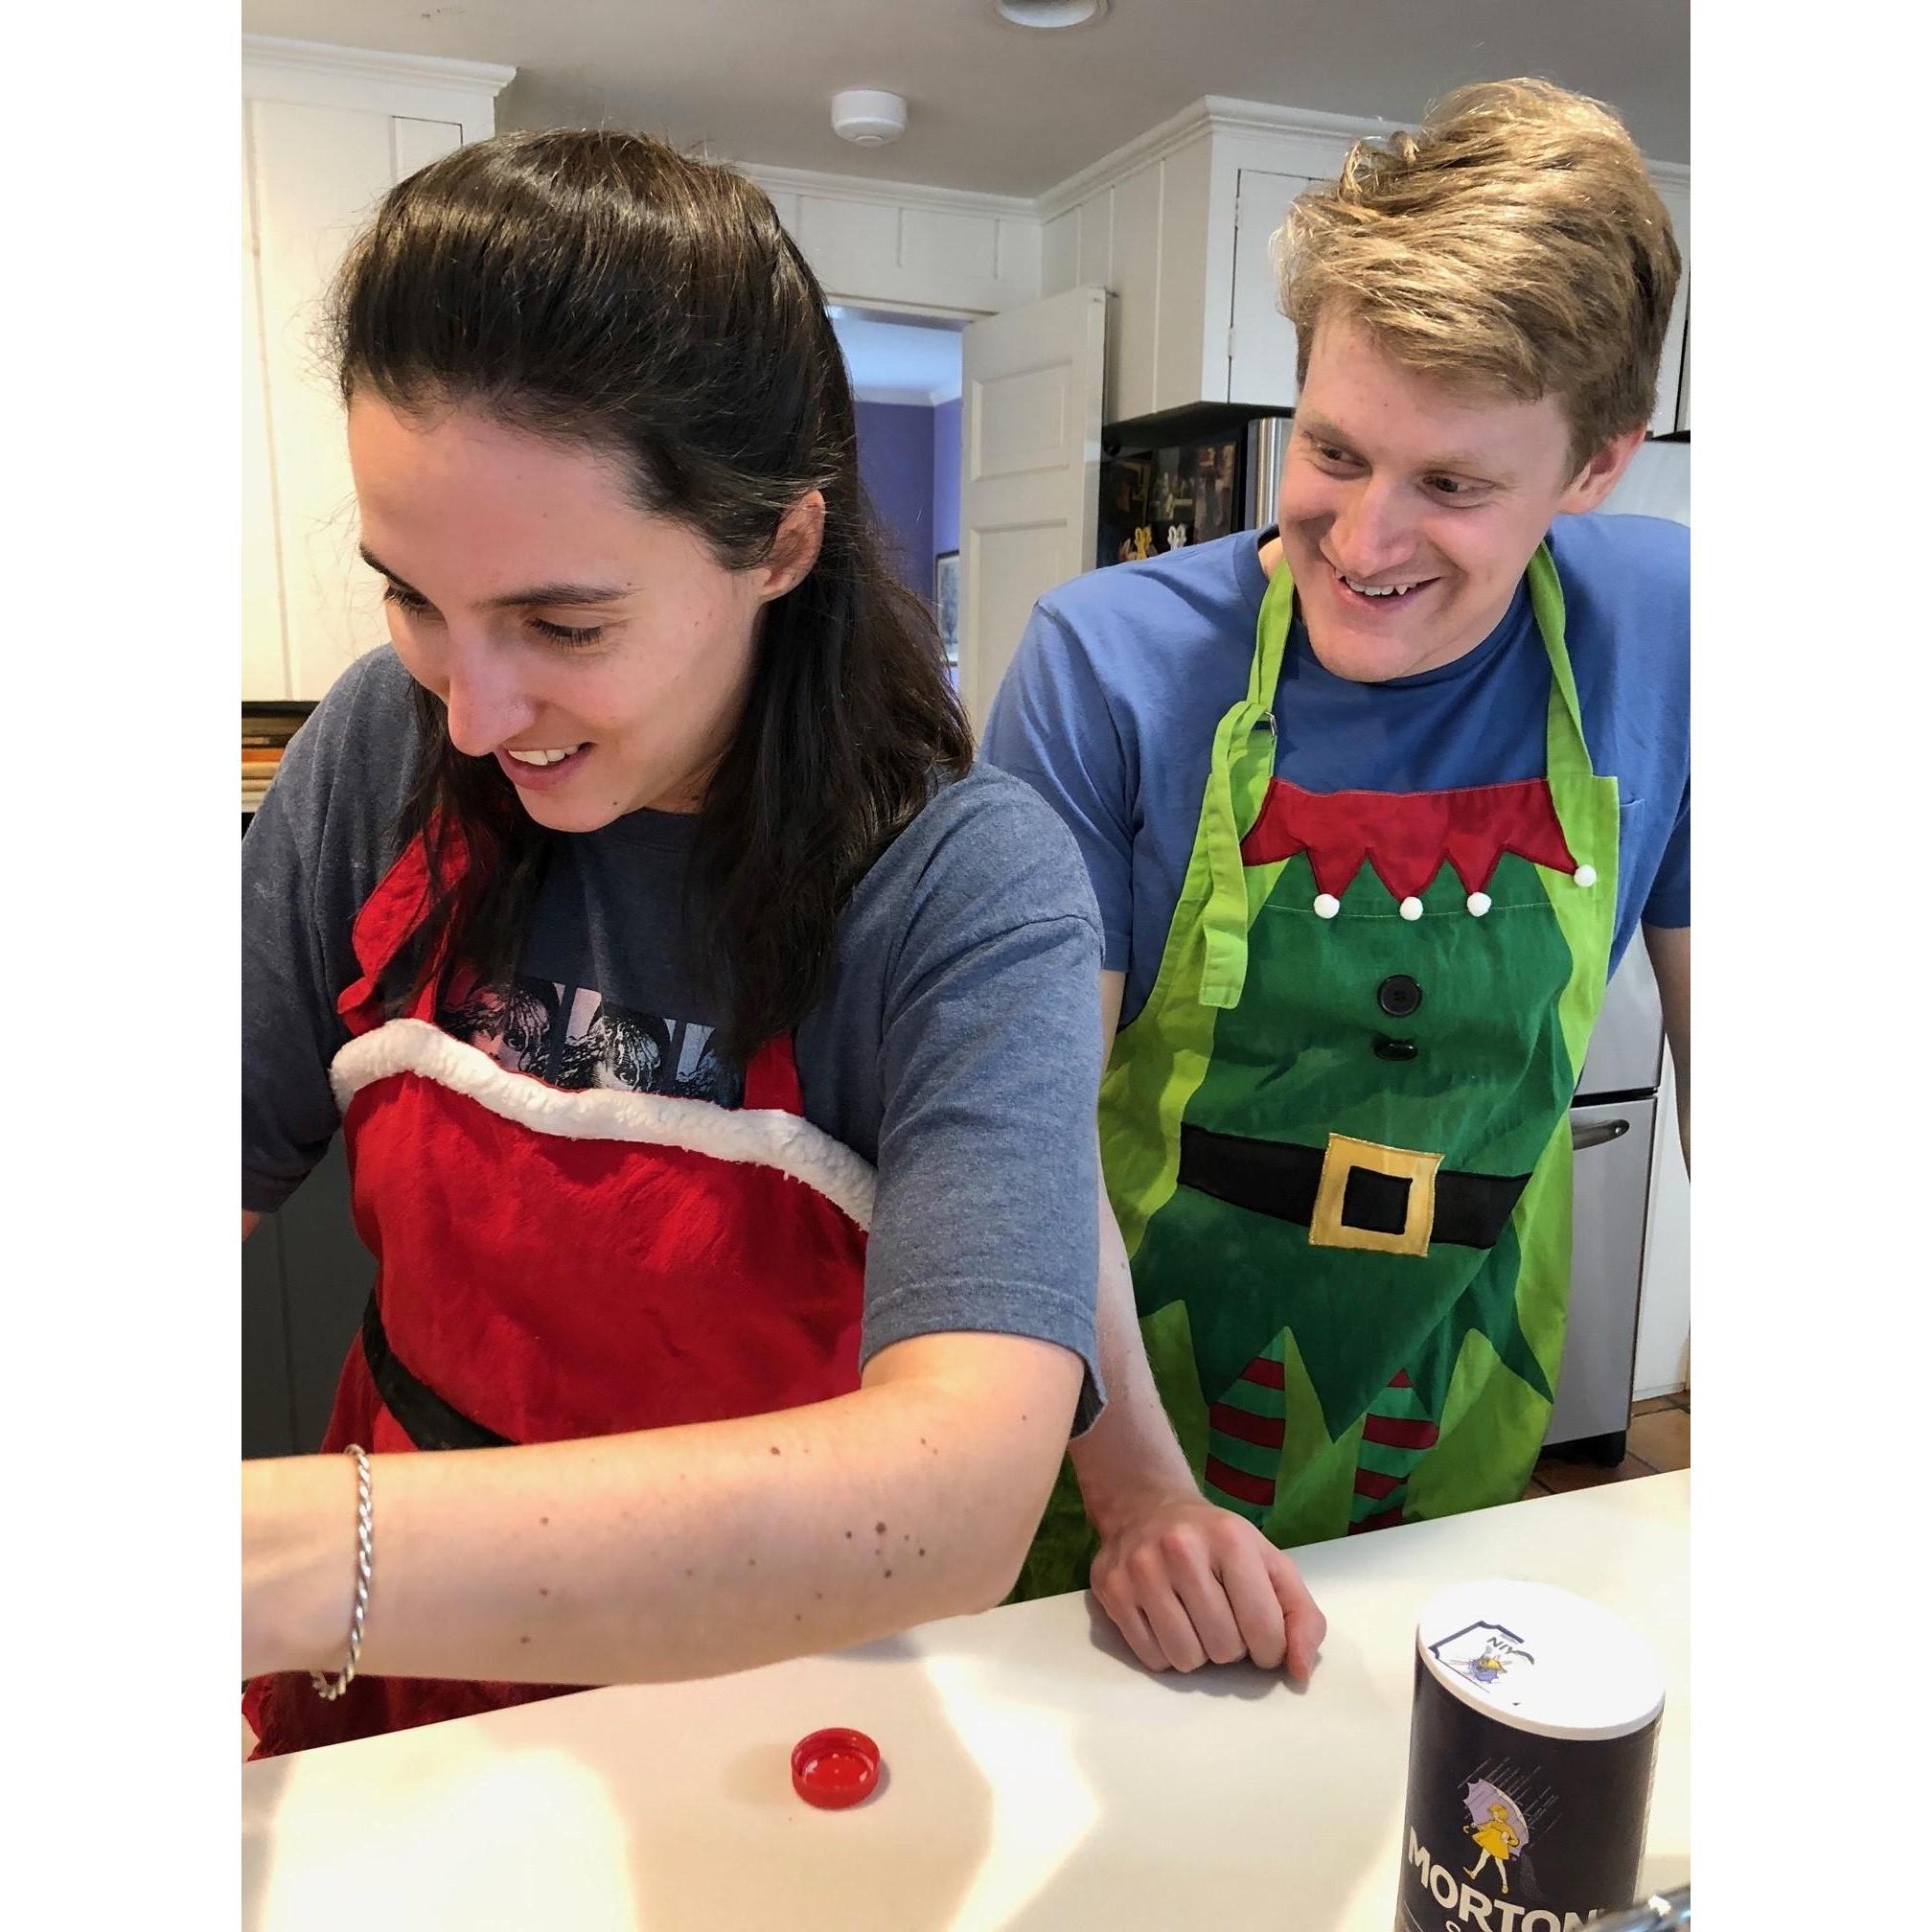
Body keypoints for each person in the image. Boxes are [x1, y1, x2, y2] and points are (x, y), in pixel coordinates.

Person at [241, 129, 1109, 1756]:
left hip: (770, 1696)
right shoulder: (383, 744)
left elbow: (958, 1496)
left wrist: (267, 1553)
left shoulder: (962, 884)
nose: (474, 709)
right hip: (392, 1687)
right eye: (413, 596)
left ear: (781, 547)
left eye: (565, 626)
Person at [985, 80, 1690, 1666]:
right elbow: (1017, 1135)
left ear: (1597, 467)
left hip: (1456, 1425)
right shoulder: (1109, 665)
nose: (1363, 540)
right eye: (1334, 449)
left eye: (1452, 485)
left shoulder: (1671, 637)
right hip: (1110, 1444)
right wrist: (1146, 1499)